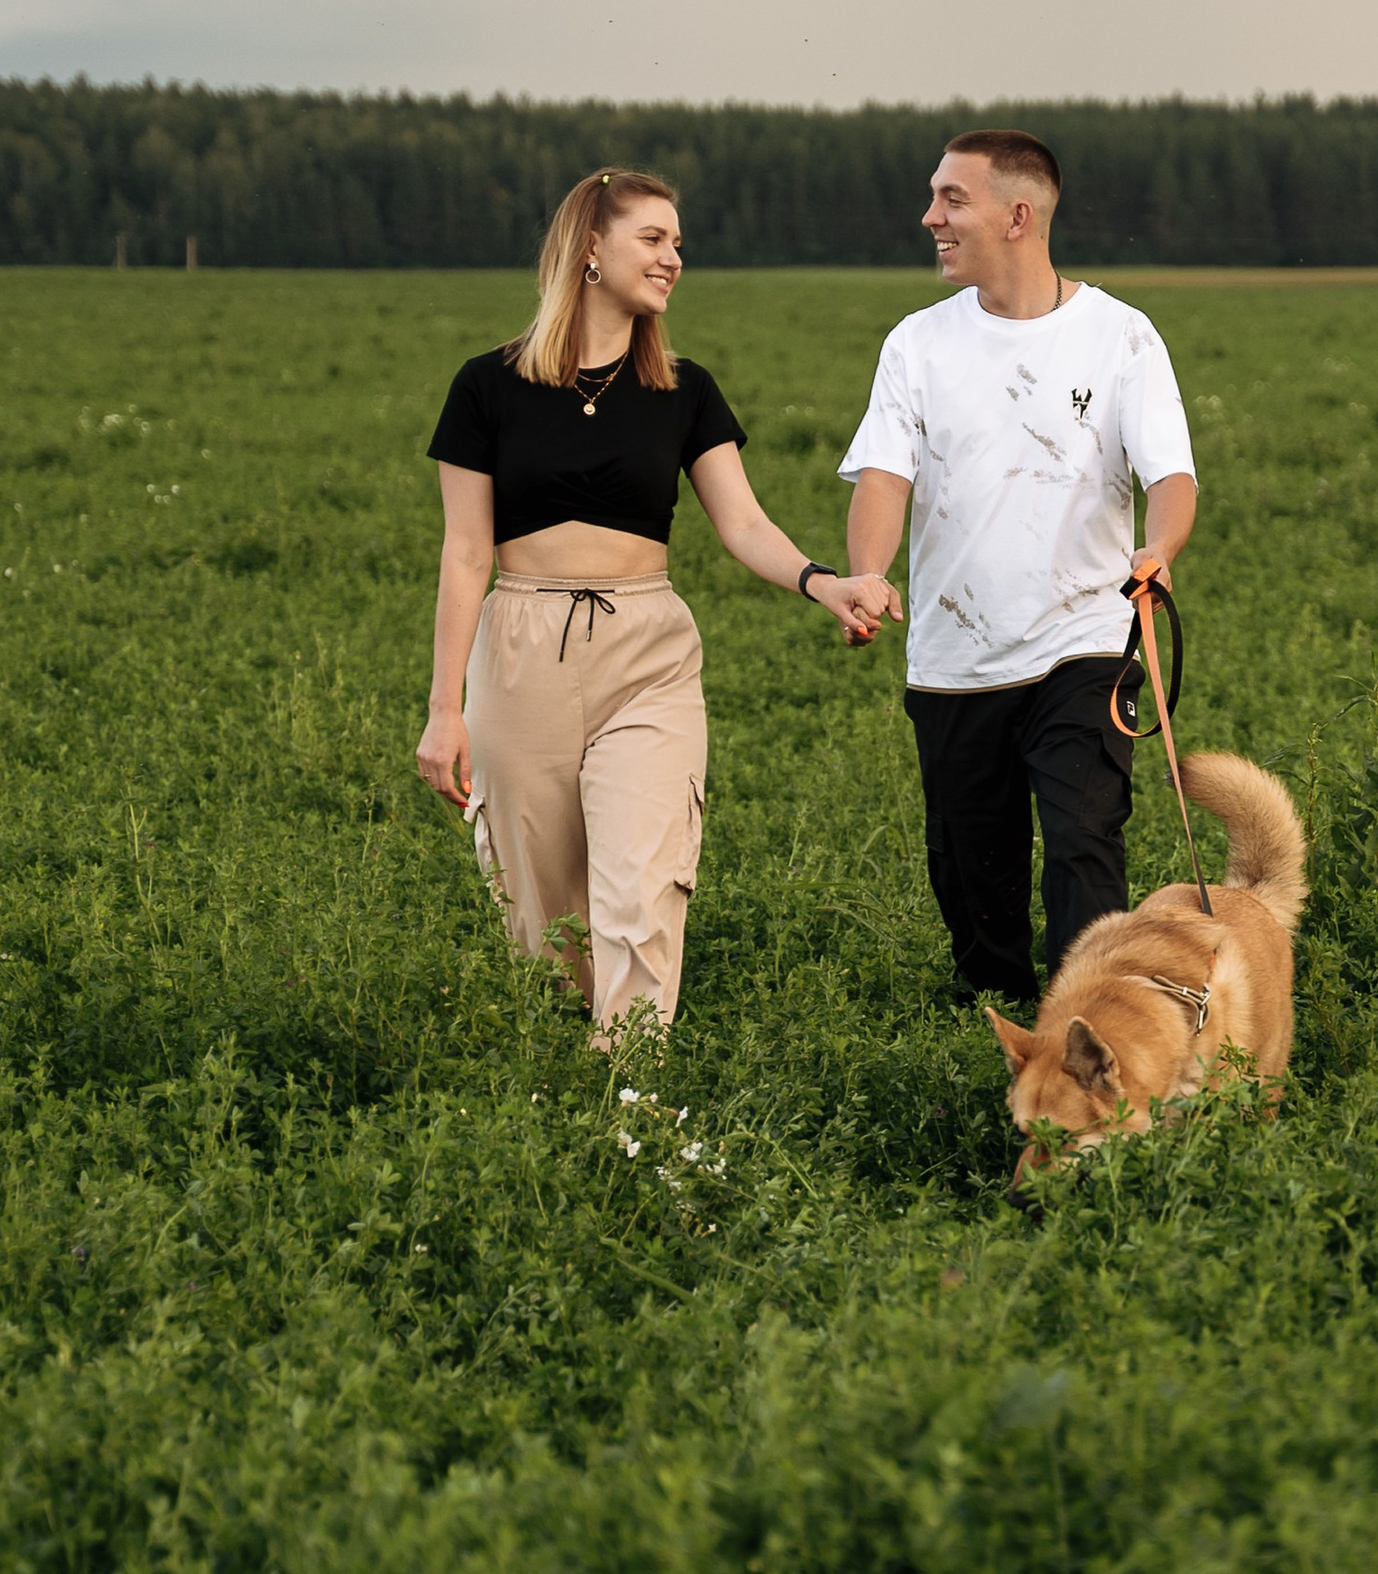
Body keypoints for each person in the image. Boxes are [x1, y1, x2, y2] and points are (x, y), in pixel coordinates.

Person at [417, 167, 901, 1040]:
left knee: (641, 887)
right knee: (543, 919)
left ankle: (632, 1097)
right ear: (590, 248)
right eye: (654, 238)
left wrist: (826, 582)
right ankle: (564, 1104)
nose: (674, 257)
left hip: (647, 651)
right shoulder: (484, 388)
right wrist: (442, 711)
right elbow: (463, 555)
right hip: (520, 648)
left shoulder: (686, 389)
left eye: (677, 241)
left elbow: (745, 524)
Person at [838, 127, 1197, 1010]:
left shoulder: (1122, 336)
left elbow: (1172, 475)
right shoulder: (917, 344)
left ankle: (1092, 1032)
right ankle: (992, 1022)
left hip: (1086, 637)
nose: (930, 217)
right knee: (971, 870)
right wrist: (868, 573)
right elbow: (885, 474)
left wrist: (1160, 549)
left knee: (1084, 839)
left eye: (951, 200)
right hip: (955, 657)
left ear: (1018, 215)